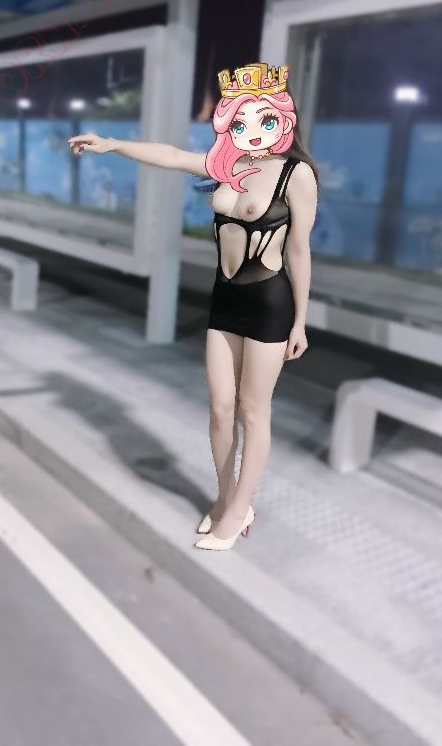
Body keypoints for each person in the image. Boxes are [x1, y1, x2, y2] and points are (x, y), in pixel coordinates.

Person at [67, 62, 319, 552]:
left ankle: (239, 509)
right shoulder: (227, 163)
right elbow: (171, 155)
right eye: (241, 121)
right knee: (221, 410)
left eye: (265, 120)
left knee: (253, 410)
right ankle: (227, 500)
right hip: (224, 299)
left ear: (283, 118)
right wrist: (112, 144)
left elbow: (299, 251)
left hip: (269, 302)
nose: (252, 131)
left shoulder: (296, 174)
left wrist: (300, 322)